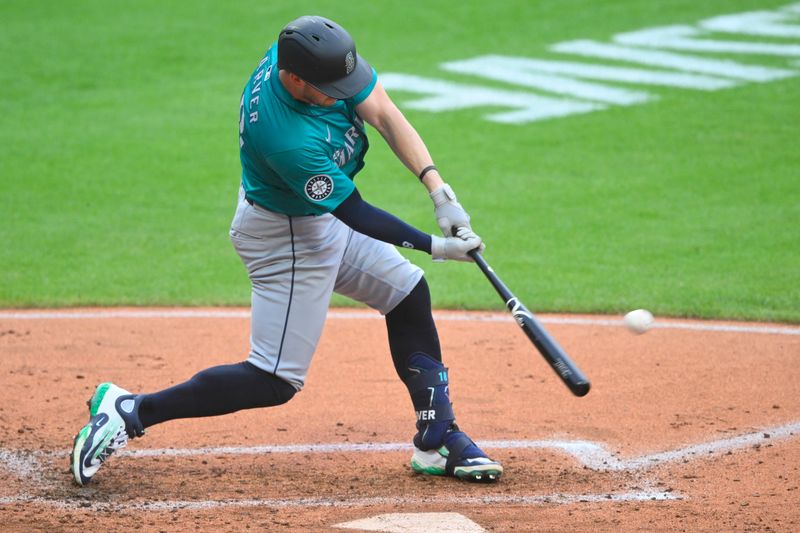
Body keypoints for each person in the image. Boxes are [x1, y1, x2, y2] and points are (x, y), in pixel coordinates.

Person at [70, 15, 502, 486]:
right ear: (294, 79)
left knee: (406, 293)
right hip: (289, 236)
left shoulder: (314, 56)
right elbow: (354, 213)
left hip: (313, 218)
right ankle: (131, 410)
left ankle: (437, 438)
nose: (342, 96)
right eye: (329, 89)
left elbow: (383, 111)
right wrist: (437, 246)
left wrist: (439, 192)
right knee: (273, 380)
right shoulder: (285, 137)